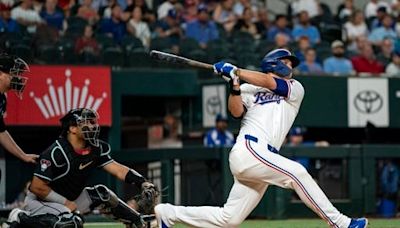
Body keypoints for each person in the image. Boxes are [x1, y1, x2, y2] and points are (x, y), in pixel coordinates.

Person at [154, 49, 368, 228]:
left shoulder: (295, 88)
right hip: (249, 148)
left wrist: (235, 70)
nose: (289, 65)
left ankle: (168, 213)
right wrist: (235, 87)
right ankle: (340, 223)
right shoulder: (248, 88)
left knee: (230, 219)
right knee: (297, 173)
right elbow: (236, 112)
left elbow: (269, 82)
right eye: (285, 61)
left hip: (263, 156)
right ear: (273, 63)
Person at [5, 108, 157, 228]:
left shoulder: (95, 148)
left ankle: (137, 221)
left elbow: (118, 169)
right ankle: (20, 217)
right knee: (71, 223)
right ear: (72, 128)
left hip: (69, 200)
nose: (93, 126)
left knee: (102, 194)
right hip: (40, 202)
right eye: (87, 122)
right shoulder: (56, 152)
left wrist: (142, 182)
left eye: (93, 122)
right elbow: (37, 188)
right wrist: (64, 203)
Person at [0, 53, 38, 164]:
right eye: (13, 74)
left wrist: (23, 155)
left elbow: (1, 131)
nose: (18, 78)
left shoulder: (2, 98)